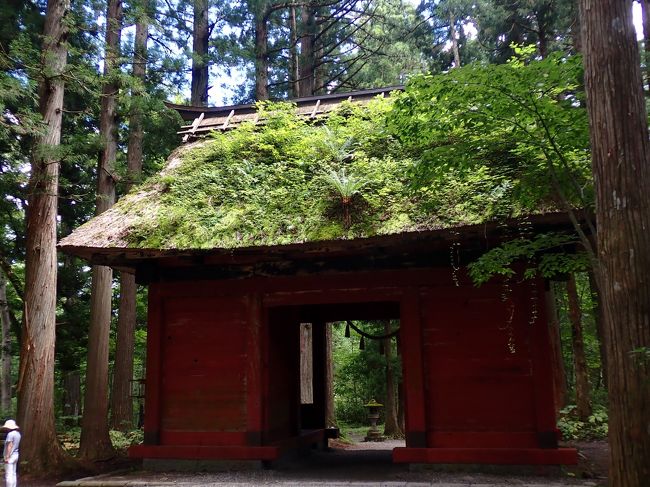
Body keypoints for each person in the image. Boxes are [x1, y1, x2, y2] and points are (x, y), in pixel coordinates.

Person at [2, 420, 20, 487]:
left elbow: (10, 445)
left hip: (10, 456)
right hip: (16, 455)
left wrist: (7, 457)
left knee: (8, 474)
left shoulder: (10, 434)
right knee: (13, 473)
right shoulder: (18, 434)